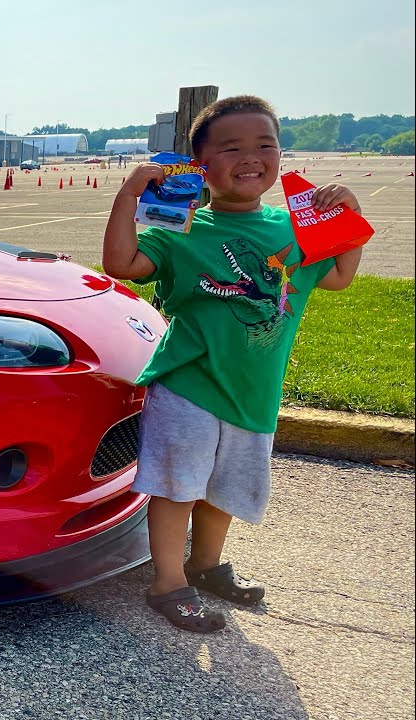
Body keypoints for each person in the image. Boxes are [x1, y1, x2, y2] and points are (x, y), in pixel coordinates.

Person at [101, 95, 365, 633]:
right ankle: (168, 582)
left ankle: (206, 566)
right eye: (231, 147)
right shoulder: (183, 228)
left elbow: (338, 276)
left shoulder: (291, 230)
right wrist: (129, 196)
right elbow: (121, 263)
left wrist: (349, 216)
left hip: (255, 390)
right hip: (189, 385)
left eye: (264, 144)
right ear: (201, 165)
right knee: (179, 486)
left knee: (224, 487)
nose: (251, 156)